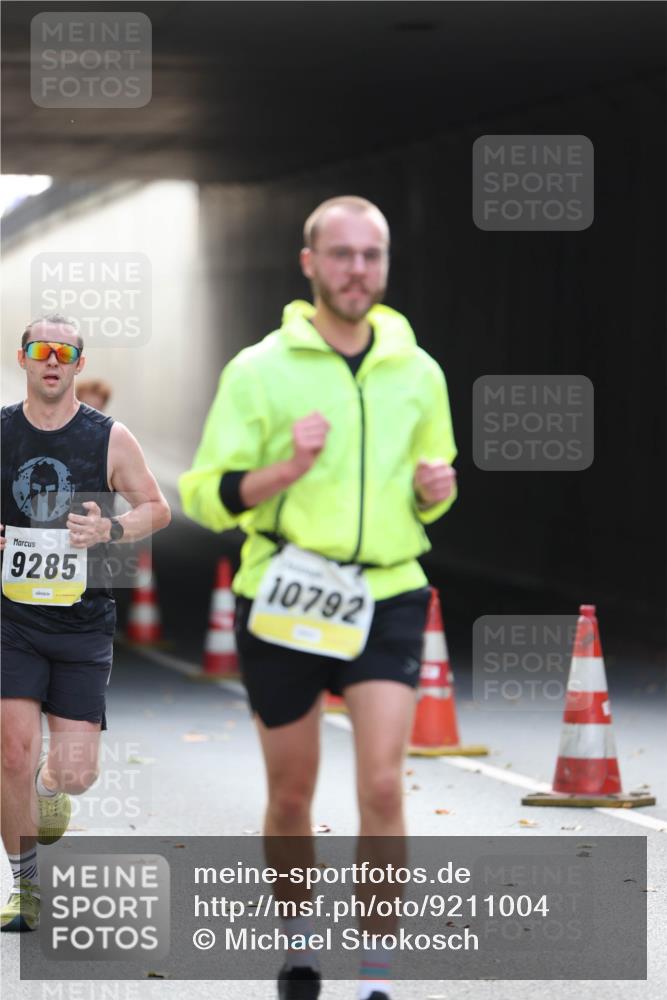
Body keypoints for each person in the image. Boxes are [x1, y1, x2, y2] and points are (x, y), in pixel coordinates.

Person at [180, 196, 457, 1000]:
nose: (356, 271)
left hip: (388, 593)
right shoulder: (258, 369)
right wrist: (286, 471)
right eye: (340, 254)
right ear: (309, 263)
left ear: (385, 264)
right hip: (288, 592)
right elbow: (203, 494)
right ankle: (300, 945)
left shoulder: (419, 370)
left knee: (380, 783)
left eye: (371, 255)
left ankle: (377, 973)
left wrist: (436, 490)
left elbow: (429, 489)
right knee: (292, 791)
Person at [0, 314, 171, 932]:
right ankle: (25, 889)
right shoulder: (0, 432)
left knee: (75, 772)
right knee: (12, 751)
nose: (52, 360)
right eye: (40, 350)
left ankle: (52, 788)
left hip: (81, 622)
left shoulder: (109, 438)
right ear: (23, 359)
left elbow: (159, 507)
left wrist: (111, 529)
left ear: (78, 362)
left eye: (64, 352)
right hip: (10, 619)